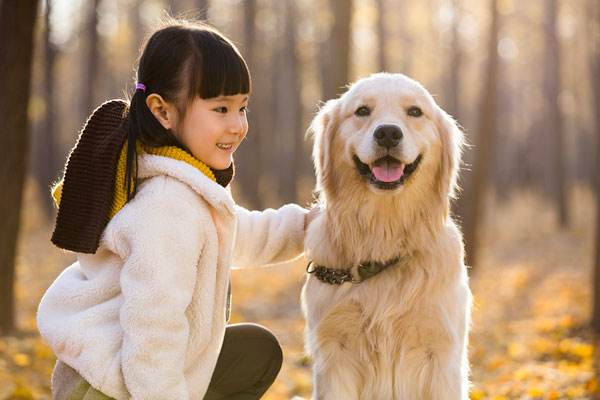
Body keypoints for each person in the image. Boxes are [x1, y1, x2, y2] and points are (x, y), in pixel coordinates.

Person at [37, 19, 313, 400]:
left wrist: (306, 226)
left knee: (256, 351)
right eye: (220, 109)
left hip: (141, 369)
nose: (237, 125)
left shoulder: (187, 184)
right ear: (163, 112)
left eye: (242, 107)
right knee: (171, 349)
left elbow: (238, 233)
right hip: (105, 386)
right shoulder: (166, 205)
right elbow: (153, 330)